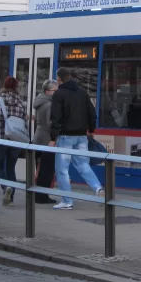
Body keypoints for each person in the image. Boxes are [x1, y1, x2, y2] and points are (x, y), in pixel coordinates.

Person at [49, 67, 103, 210]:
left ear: (59, 79)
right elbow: (92, 113)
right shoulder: (82, 93)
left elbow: (55, 118)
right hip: (81, 136)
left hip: (65, 136)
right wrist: (91, 130)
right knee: (83, 165)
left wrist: (53, 138)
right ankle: (98, 188)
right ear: (70, 77)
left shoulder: (59, 94)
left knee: (62, 170)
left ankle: (67, 201)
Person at [0, 76, 27, 205]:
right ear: (16, 87)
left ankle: (6, 188)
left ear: (4, 86)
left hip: (0, 139)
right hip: (15, 140)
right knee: (11, 168)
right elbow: (24, 121)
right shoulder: (21, 103)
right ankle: (10, 199)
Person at [31, 79, 58, 204]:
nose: (57, 93)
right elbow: (50, 123)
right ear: (48, 91)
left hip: (38, 137)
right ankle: (42, 196)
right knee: (47, 169)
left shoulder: (40, 102)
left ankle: (38, 195)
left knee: (40, 169)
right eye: (55, 91)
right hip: (47, 139)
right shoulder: (50, 105)